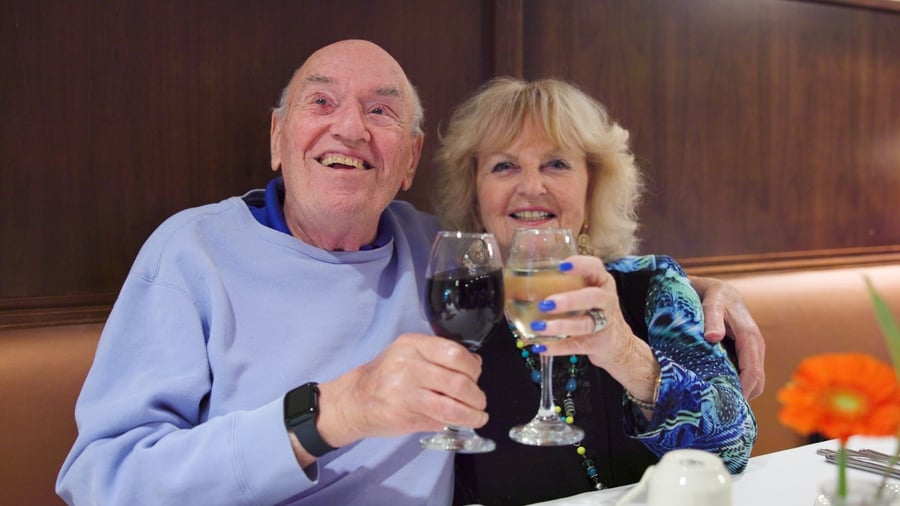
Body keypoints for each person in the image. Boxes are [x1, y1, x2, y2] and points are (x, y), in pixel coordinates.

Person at [56, 40, 761, 505]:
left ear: (410, 160)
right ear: (278, 137)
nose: (350, 128)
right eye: (321, 102)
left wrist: (690, 296)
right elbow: (99, 482)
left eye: (381, 111)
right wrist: (331, 413)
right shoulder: (192, 254)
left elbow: (567, 268)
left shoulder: (440, 253)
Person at [431, 77, 757, 504]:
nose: (531, 186)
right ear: (475, 193)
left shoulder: (655, 286)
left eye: (556, 164)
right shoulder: (457, 309)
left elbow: (733, 448)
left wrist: (627, 355)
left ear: (593, 184)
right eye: (504, 166)